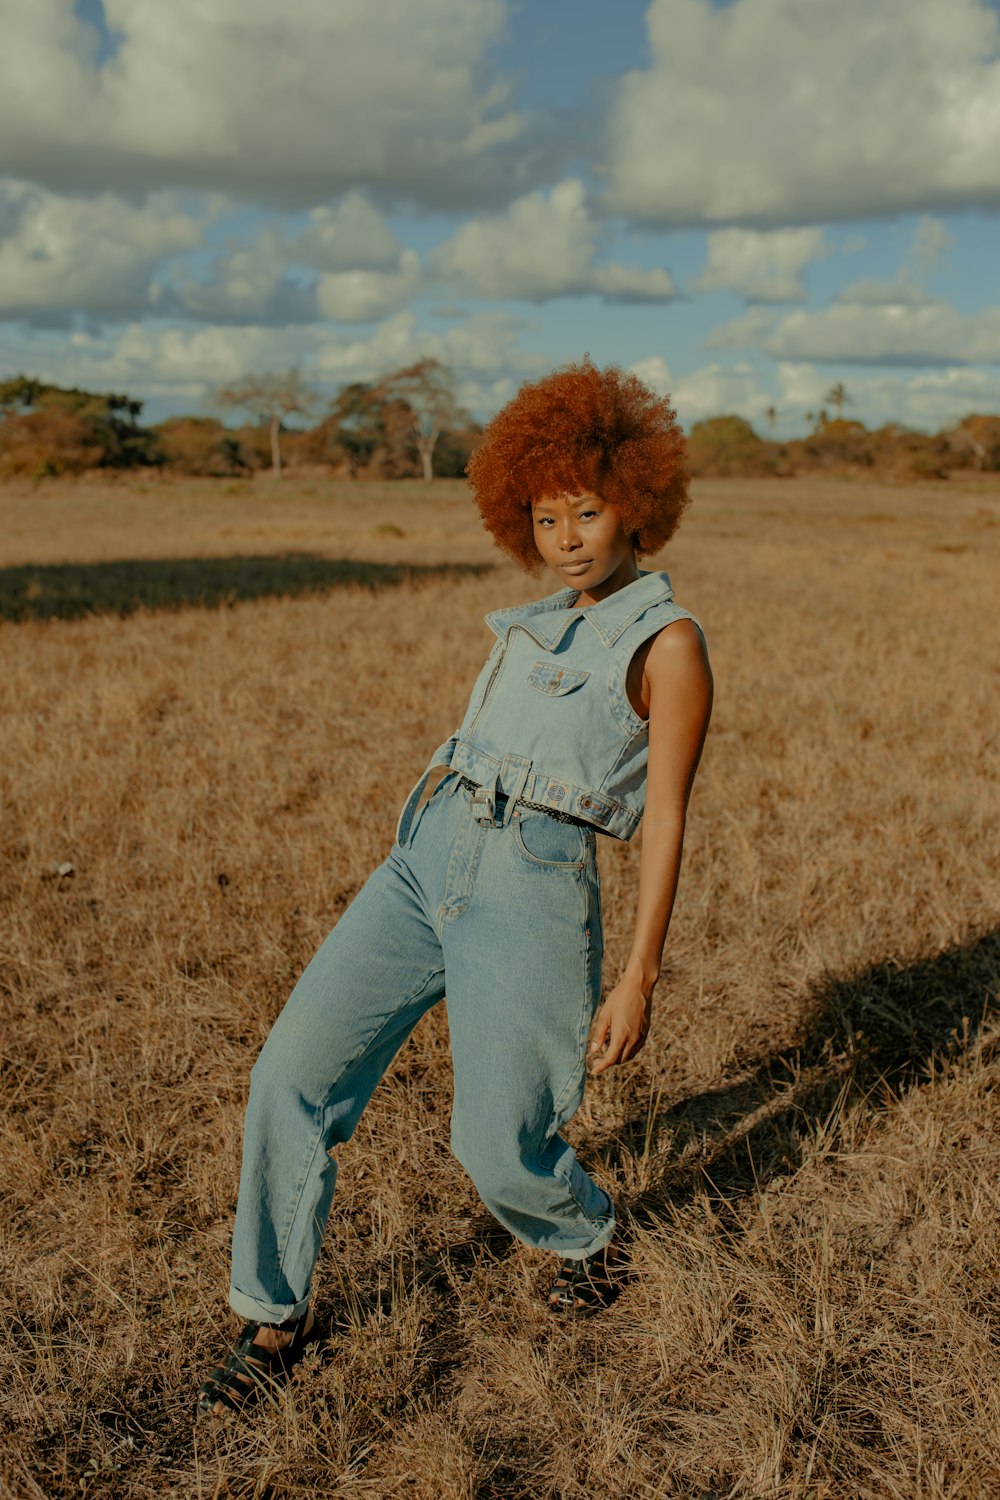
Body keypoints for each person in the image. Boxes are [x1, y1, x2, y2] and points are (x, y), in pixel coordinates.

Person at [197, 358, 713, 1416]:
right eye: (542, 514)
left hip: (533, 881)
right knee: (287, 1076)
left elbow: (665, 818)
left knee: (491, 1146)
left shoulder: (666, 644)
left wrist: (640, 977)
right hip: (424, 855)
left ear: (638, 508)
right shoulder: (527, 623)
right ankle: (270, 1314)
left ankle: (583, 1237)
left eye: (586, 510)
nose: (564, 534)